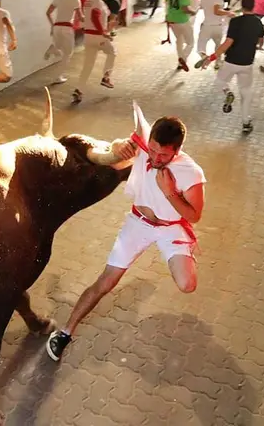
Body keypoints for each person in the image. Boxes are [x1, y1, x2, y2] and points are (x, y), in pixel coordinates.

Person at [46, 104, 206, 361]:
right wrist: (118, 146)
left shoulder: (192, 172)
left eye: (163, 155)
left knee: (188, 284)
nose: (154, 158)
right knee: (106, 281)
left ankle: (182, 252)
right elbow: (116, 154)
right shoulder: (144, 148)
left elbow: (194, 215)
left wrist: (169, 192)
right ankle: (65, 333)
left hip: (170, 228)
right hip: (138, 223)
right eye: (152, 149)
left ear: (177, 150)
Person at [197, 0, 264, 133]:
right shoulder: (258, 22)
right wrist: (253, 46)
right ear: (254, 6)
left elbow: (227, 43)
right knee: (246, 93)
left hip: (231, 61)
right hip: (247, 64)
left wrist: (212, 58)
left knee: (220, 82)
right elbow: (260, 41)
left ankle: (228, 92)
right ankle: (246, 122)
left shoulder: (236, 21)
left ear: (242, 6)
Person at [71, 0, 117, 104]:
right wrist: (103, 33)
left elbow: (86, 19)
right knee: (112, 52)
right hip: (98, 37)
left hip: (88, 37)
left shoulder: (88, 2)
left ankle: (79, 90)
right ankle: (106, 77)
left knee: (88, 65)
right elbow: (94, 17)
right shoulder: (98, 3)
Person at [44, 0, 84, 85]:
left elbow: (48, 13)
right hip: (67, 28)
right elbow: (81, 17)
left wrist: (52, 25)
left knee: (59, 47)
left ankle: (53, 48)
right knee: (68, 53)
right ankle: (58, 76)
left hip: (57, 27)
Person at [197, 0, 236, 70]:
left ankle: (204, 56)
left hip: (206, 26)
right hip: (218, 26)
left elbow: (210, 10)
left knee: (200, 46)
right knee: (218, 46)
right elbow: (217, 11)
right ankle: (217, 63)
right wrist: (228, 13)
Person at [165, 0, 197, 71]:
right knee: (190, 43)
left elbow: (167, 4)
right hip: (182, 21)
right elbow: (184, 9)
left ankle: (180, 63)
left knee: (179, 40)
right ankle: (183, 58)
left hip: (172, 20)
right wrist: (193, 12)